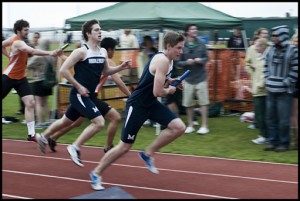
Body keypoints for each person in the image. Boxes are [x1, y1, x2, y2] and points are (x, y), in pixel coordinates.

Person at [89, 31, 186, 191]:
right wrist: (169, 90)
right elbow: (158, 92)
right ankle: (96, 172)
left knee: (178, 127)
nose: (181, 51)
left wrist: (171, 81)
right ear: (168, 46)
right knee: (124, 146)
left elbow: (157, 78)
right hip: (138, 105)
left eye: (182, 48)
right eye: (178, 48)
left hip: (150, 104)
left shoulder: (169, 60)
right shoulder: (162, 60)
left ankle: (147, 153)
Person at [35, 19, 131, 165]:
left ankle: (43, 136)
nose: (100, 32)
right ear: (88, 34)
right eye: (96, 30)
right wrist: (78, 86)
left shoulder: (102, 51)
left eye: (100, 29)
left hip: (90, 96)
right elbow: (64, 70)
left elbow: (105, 71)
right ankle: (74, 147)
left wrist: (120, 68)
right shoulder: (81, 51)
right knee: (99, 123)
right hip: (78, 95)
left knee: (65, 121)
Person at [2, 19, 62, 142]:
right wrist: (50, 53)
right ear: (18, 31)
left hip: (21, 78)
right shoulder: (17, 42)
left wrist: (9, 56)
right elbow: (33, 51)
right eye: (25, 30)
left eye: (28, 29)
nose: (27, 32)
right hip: (8, 77)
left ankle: (31, 134)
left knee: (30, 103)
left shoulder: (14, 40)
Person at [263, 25, 298, 152]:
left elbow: (296, 68)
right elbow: (265, 65)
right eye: (272, 35)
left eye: (275, 35)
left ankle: (284, 143)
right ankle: (273, 141)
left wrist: (287, 82)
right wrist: (267, 78)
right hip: (271, 89)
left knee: (284, 119)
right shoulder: (270, 49)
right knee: (271, 117)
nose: (273, 37)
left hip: (284, 91)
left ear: (282, 35)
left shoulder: (293, 50)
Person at [177, 24, 209, 134]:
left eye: (195, 28)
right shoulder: (182, 45)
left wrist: (201, 60)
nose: (195, 30)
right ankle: (190, 125)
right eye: (192, 29)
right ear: (187, 32)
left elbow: (207, 58)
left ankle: (204, 126)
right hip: (188, 78)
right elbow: (178, 62)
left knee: (203, 102)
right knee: (188, 102)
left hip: (201, 77)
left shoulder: (201, 43)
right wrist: (186, 62)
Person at [245, 28, 270, 144]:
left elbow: (265, 73)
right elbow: (248, 64)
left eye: (267, 34)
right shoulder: (254, 51)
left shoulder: (268, 53)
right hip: (257, 88)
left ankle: (265, 135)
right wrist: (252, 71)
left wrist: (259, 85)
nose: (265, 36)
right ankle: (264, 135)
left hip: (263, 90)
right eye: (263, 34)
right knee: (260, 114)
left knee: (263, 114)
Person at [26, 39, 55, 129]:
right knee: (45, 102)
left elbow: (28, 65)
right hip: (48, 81)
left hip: (38, 80)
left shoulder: (38, 56)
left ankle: (39, 122)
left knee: (38, 103)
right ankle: (48, 120)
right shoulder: (51, 56)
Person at [290, 32, 298, 150]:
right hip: (293, 87)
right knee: (293, 114)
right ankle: (295, 141)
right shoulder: (290, 53)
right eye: (296, 40)